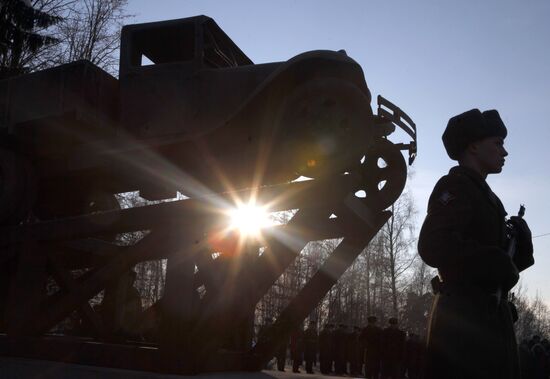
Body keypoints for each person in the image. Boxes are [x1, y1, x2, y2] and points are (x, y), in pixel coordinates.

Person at [418, 109, 534, 379]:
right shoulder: (456, 186)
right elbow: (433, 244)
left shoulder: (487, 196)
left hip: (487, 322)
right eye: (498, 143)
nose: (504, 152)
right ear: (473, 146)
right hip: (463, 324)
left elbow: (503, 267)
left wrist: (520, 246)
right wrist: (494, 258)